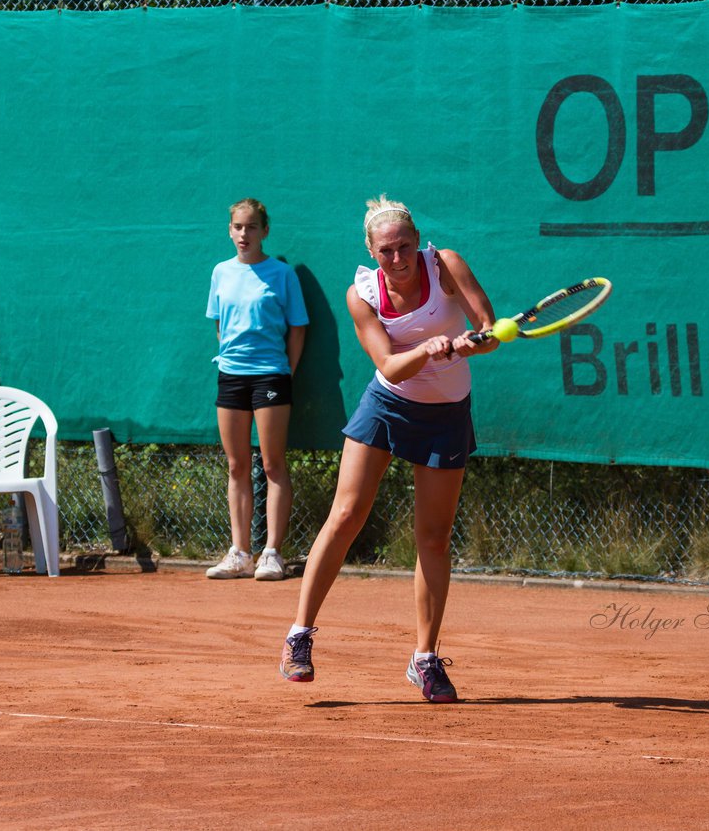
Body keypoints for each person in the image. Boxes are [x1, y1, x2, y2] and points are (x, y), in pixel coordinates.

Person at [278, 195, 499, 702]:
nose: (396, 260)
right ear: (370, 251)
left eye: (404, 247)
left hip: (448, 411)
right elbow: (389, 365)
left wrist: (474, 340)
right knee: (347, 513)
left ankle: (424, 659)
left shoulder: (446, 266)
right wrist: (427, 348)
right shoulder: (362, 295)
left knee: (435, 538)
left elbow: (489, 330)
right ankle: (299, 636)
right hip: (389, 401)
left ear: (417, 241)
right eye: (385, 251)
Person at [205, 198, 308, 581]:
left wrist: (286, 372)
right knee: (236, 465)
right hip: (230, 375)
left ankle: (272, 554)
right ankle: (240, 553)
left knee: (272, 464)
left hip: (271, 377)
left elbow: (298, 328)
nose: (243, 234)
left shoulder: (282, 275)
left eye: (251, 227)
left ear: (265, 231)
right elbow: (219, 325)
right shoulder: (220, 272)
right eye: (237, 227)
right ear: (229, 230)